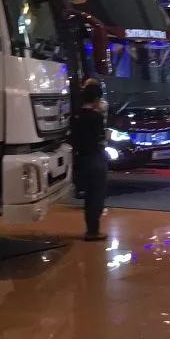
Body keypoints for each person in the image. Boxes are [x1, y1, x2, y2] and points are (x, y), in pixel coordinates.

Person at [71, 81, 108, 241]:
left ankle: (90, 229)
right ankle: (93, 231)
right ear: (97, 99)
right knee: (96, 195)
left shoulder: (76, 115)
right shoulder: (96, 117)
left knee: (88, 196)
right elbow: (99, 139)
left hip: (81, 158)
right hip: (95, 158)